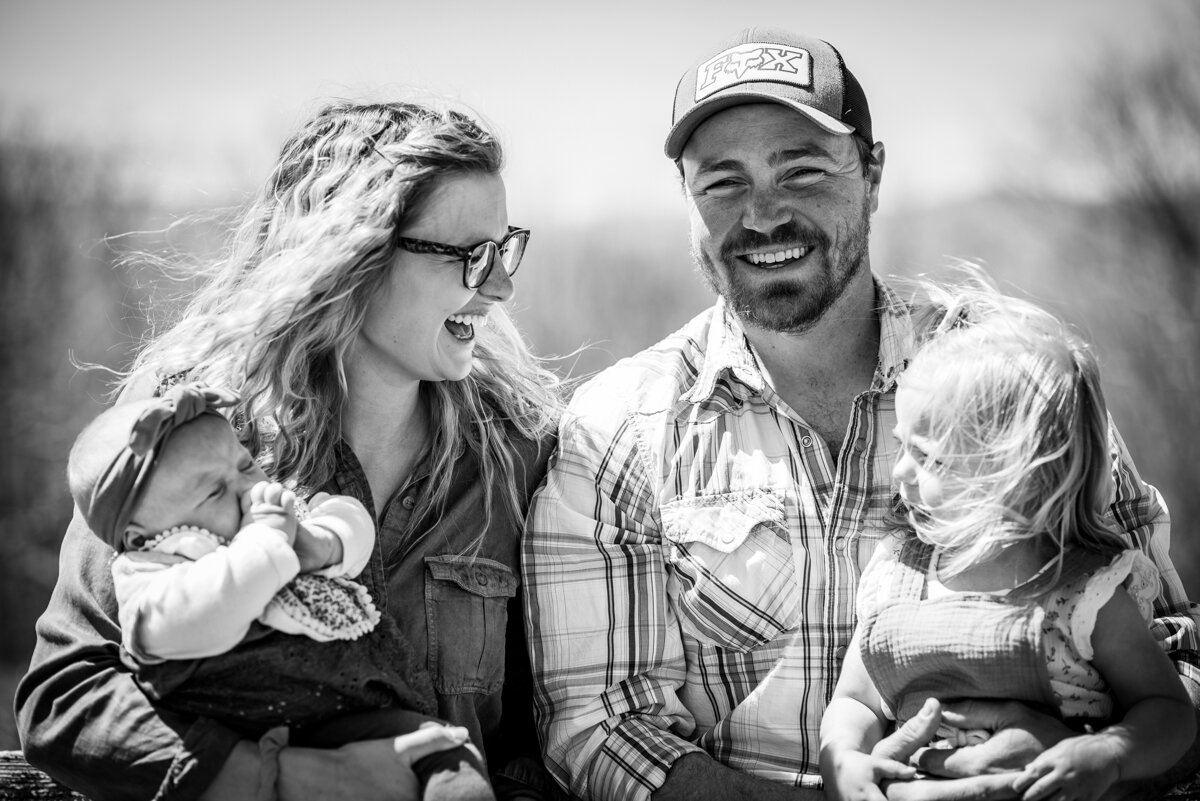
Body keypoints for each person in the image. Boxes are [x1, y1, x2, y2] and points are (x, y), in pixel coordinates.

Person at [521, 26, 1200, 801]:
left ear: (873, 176)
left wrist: (1074, 753)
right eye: (721, 183)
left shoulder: (1019, 385)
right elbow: (600, 729)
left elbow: (1177, 661)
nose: (763, 215)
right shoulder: (615, 431)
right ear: (687, 201)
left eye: (801, 170)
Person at [17, 99, 562, 801]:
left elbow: (536, 736)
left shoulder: (513, 455)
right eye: (470, 256)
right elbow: (68, 696)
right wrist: (292, 779)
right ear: (350, 257)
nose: (501, 286)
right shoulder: (183, 429)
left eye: (504, 248)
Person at [819, 277, 1196, 801]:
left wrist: (1109, 753)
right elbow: (857, 701)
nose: (900, 471)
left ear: (1016, 475)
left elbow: (1169, 710)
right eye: (901, 446)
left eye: (930, 458)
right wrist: (844, 760)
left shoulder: (1083, 593)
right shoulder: (895, 577)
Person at [66, 382, 495, 801]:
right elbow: (190, 618)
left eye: (246, 465)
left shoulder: (273, 521)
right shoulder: (152, 574)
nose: (248, 489)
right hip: (248, 733)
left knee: (448, 755)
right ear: (141, 535)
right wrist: (264, 546)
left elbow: (349, 519)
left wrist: (323, 543)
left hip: (358, 716)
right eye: (214, 490)